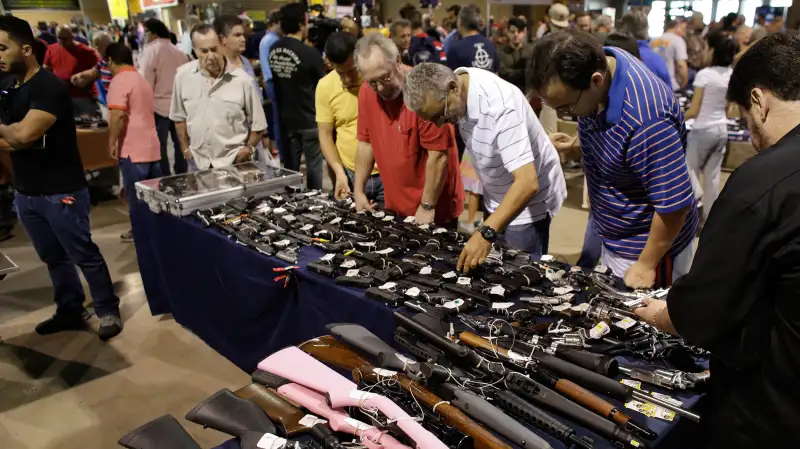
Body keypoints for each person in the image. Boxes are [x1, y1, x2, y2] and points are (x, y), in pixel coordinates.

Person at [633, 32, 800, 448]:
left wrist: (656, 312)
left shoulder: (761, 183)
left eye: (744, 116)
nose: (751, 131)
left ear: (759, 102)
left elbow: (705, 309)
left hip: (771, 410)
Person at [531, 30, 698, 288]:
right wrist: (579, 145)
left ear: (596, 81)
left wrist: (645, 264)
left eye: (566, 108)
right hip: (614, 234)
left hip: (646, 248)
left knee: (640, 325)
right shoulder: (607, 61)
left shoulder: (648, 120)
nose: (566, 115)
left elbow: (674, 206)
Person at [0, 16, 122, 340]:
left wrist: (12, 135)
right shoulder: (11, 90)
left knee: (83, 253)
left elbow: (24, 135)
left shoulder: (48, 87)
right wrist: (12, 135)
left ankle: (107, 309)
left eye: (2, 47)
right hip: (26, 192)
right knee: (53, 258)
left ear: (25, 49)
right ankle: (69, 308)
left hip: (61, 190)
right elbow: (12, 139)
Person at [405, 63, 567, 264]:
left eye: (441, 115)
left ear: (453, 88)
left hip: (527, 206)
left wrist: (485, 232)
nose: (440, 124)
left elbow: (527, 183)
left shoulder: (499, 106)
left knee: (518, 273)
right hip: (498, 195)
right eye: (432, 119)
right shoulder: (459, 86)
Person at [353, 33, 463, 225]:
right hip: (395, 205)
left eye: (384, 78)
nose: (379, 87)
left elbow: (438, 156)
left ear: (397, 61)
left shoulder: (425, 93)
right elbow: (365, 143)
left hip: (433, 207)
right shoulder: (366, 91)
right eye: (372, 82)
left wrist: (427, 206)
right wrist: (359, 190)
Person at [170, 23, 266, 170]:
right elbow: (179, 119)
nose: (211, 56)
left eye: (214, 49)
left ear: (221, 44)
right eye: (204, 51)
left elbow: (259, 125)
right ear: (194, 50)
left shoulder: (242, 80)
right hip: (198, 163)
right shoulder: (182, 77)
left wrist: (248, 149)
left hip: (235, 162)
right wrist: (185, 150)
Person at [317, 32, 383, 204]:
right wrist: (339, 172)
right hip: (350, 173)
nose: (347, 78)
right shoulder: (325, 86)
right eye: (340, 73)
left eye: (352, 71)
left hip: (386, 173)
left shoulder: (378, 80)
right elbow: (325, 135)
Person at [105, 43, 162, 242]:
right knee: (155, 197)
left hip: (132, 150)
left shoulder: (119, 81)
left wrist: (111, 142)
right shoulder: (141, 80)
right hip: (152, 147)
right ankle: (158, 231)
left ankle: (140, 233)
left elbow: (118, 115)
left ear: (111, 61)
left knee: (136, 199)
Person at [268, 3, 325, 189]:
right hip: (309, 117)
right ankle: (315, 202)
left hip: (287, 117)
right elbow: (322, 84)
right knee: (314, 166)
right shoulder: (309, 53)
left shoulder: (274, 49)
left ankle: (289, 202)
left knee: (291, 167)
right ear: (302, 24)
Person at [684, 38, 737, 222]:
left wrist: (678, 118)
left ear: (714, 51)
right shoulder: (732, 75)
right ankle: (710, 220)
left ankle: (693, 209)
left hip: (702, 129)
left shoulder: (705, 75)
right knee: (712, 179)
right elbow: (728, 108)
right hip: (721, 129)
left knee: (688, 172)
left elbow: (694, 109)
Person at [139, 19, 190, 176]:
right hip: (179, 106)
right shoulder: (178, 51)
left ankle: (166, 177)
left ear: (153, 33)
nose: (144, 36)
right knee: (181, 143)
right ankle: (182, 175)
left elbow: (146, 81)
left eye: (145, 32)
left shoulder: (151, 51)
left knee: (160, 146)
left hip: (158, 107)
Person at [43, 25, 99, 115]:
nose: (62, 41)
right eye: (59, 38)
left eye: (65, 38)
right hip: (62, 97)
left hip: (82, 96)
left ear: (72, 37)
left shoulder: (86, 52)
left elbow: (99, 71)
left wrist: (87, 78)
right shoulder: (51, 49)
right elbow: (46, 69)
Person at [618, 11, 672, 87]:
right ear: (646, 29)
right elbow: (668, 93)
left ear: (621, 28)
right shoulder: (655, 59)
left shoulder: (613, 54)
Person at [446, 5, 498, 73]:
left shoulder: (455, 50)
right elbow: (496, 73)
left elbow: (452, 79)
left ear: (460, 22)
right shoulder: (490, 45)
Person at [259, 10, 282, 160]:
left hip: (270, 80)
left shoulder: (268, 39)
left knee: (277, 116)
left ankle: (278, 147)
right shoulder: (271, 40)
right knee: (278, 117)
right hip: (273, 81)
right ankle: (279, 148)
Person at [69, 31, 113, 103]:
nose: (95, 49)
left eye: (96, 46)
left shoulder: (117, 61)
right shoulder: (103, 61)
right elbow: (93, 72)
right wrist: (80, 75)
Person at [651, 19, 689, 90]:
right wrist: (684, 82)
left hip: (652, 82)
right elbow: (681, 65)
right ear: (677, 27)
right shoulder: (678, 40)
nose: (684, 33)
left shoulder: (654, 40)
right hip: (669, 83)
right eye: (683, 29)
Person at [499, 18, 533, 95]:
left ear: (524, 32)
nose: (516, 34)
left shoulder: (531, 51)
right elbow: (503, 73)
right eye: (512, 32)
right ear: (507, 32)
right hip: (507, 93)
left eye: (519, 31)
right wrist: (524, 72)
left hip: (527, 94)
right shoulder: (501, 52)